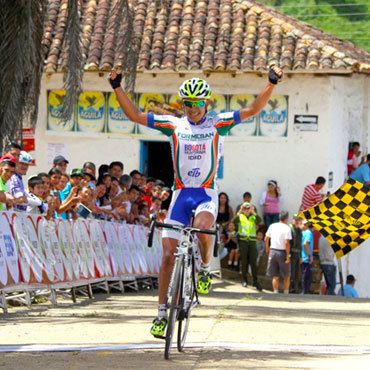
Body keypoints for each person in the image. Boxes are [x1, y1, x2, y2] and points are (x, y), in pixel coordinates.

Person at [108, 64, 283, 337]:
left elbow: (252, 110)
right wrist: (117, 86)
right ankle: (161, 314)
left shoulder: (219, 123)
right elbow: (135, 115)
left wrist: (271, 83)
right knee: (167, 256)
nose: (193, 109)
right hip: (180, 195)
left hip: (205, 194)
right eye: (188, 104)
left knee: (203, 226)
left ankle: (203, 269)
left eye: (198, 104)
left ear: (207, 103)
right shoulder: (173, 125)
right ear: (183, 104)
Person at [234, 202, 262, 290]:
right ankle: (244, 280)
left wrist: (253, 212)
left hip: (252, 241)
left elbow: (259, 221)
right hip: (243, 241)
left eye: (248, 208)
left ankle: (255, 281)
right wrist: (239, 212)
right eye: (245, 208)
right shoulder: (240, 216)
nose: (246, 210)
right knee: (244, 262)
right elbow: (234, 221)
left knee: (253, 262)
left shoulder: (253, 217)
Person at [265, 211, 292, 294]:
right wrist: (288, 255)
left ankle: (275, 291)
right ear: (286, 219)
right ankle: (286, 292)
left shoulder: (272, 226)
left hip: (273, 250)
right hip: (282, 252)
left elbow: (266, 238)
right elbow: (287, 242)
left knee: (275, 275)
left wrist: (267, 248)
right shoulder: (287, 228)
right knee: (286, 275)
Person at [289, 214, 303, 293]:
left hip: (298, 253)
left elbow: (300, 244)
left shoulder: (299, 230)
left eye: (299, 220)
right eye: (296, 220)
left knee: (297, 273)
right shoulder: (290, 229)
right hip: (292, 253)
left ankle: (295, 289)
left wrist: (301, 256)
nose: (297, 221)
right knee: (291, 272)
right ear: (293, 220)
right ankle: (290, 289)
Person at [301, 220, 314, 294]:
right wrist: (309, 255)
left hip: (303, 256)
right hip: (307, 257)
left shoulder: (303, 232)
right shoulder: (309, 233)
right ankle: (305, 292)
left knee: (304, 275)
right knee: (307, 277)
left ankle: (304, 291)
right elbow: (305, 244)